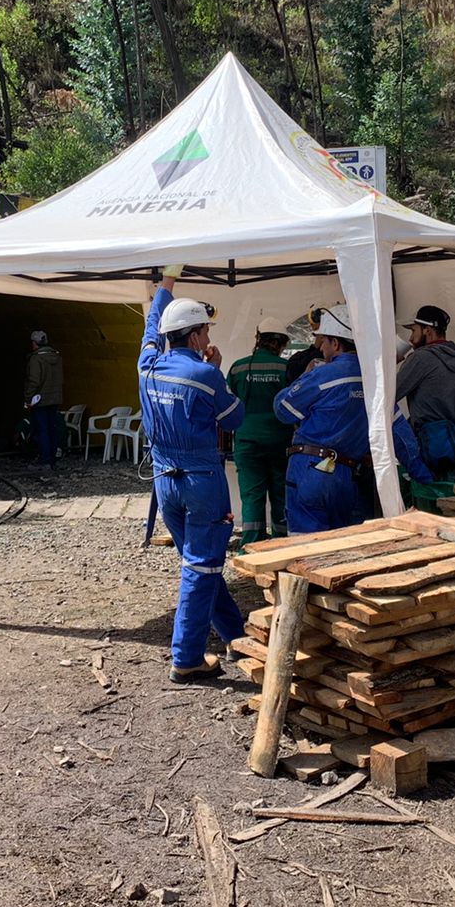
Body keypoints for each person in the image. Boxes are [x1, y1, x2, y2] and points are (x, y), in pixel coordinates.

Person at [139, 268, 247, 682]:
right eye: (205, 330)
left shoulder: (147, 366)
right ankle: (186, 657)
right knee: (201, 567)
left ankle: (236, 636)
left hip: (165, 480)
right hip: (202, 480)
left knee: (199, 563)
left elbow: (151, 325)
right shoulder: (205, 374)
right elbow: (233, 418)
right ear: (198, 336)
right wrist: (216, 371)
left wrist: (165, 286)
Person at [273, 303, 370, 535]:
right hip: (346, 474)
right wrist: (422, 475)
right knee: (339, 546)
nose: (321, 348)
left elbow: (283, 410)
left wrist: (304, 377)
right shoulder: (372, 377)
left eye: (323, 342)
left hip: (310, 470)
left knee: (303, 547)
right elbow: (396, 426)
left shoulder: (322, 374)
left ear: (335, 343)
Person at [394, 305, 455, 483]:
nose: (411, 339)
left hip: (432, 461)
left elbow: (386, 397)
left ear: (427, 330)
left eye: (414, 330)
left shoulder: (420, 359)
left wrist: (391, 363)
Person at [226, 318, 294, 545]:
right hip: (280, 441)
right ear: (281, 343)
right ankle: (280, 545)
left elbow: (228, 403)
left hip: (247, 442)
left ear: (258, 339)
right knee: (281, 494)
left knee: (252, 496)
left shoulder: (238, 367)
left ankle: (251, 546)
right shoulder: (286, 368)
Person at [23, 330, 64, 470]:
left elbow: (34, 381)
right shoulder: (57, 357)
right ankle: (52, 459)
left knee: (42, 430)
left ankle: (45, 460)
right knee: (52, 428)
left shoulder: (36, 359)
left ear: (34, 344)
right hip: (55, 398)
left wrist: (28, 398)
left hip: (40, 400)